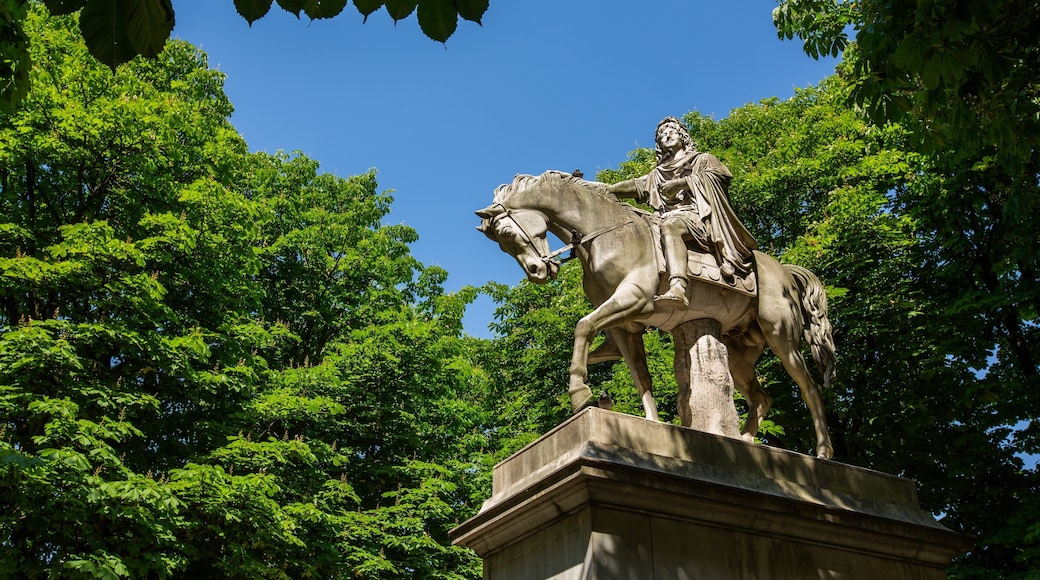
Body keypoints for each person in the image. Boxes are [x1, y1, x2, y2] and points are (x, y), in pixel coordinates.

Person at [609, 117, 757, 309]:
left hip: (698, 218)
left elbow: (720, 176)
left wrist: (682, 183)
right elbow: (636, 185)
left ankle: (678, 286)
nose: (667, 135)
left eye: (671, 130)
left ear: (683, 135)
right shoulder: (657, 173)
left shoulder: (702, 159)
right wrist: (602, 189)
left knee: (670, 226)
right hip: (665, 218)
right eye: (662, 134)